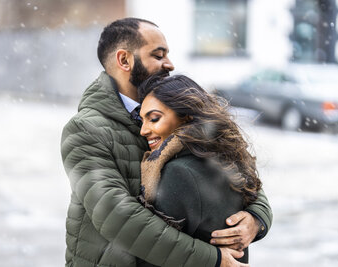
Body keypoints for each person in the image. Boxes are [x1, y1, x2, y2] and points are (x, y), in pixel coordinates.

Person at [61, 17, 273, 267]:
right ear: (124, 60)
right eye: (158, 55)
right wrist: (210, 260)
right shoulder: (86, 129)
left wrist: (256, 217)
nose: (169, 64)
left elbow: (235, 166)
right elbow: (115, 215)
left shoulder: (174, 109)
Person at [137, 74, 265, 266]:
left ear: (186, 116)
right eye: (142, 121)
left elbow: (152, 256)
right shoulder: (226, 158)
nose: (143, 130)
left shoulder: (179, 173)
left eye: (154, 119)